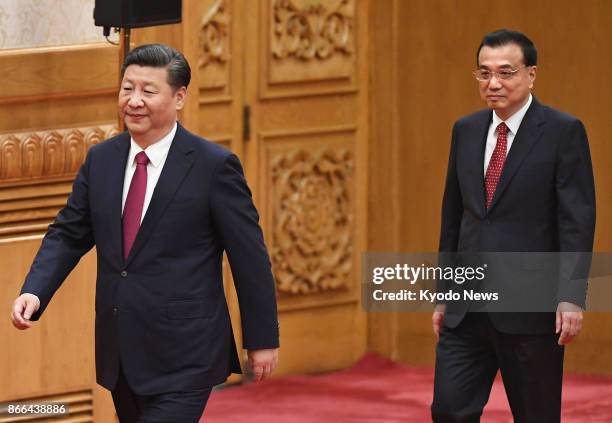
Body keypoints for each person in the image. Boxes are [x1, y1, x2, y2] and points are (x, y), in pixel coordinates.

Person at [11, 43, 279, 422]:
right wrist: (34, 290)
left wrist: (262, 338)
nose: (134, 101)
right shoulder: (101, 160)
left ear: (179, 96)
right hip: (120, 352)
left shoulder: (213, 167)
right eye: (127, 89)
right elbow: (69, 233)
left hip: (187, 354)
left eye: (148, 91)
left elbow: (249, 257)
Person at [431, 29, 595, 422]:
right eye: (484, 73)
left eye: (505, 72)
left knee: (535, 414)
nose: (493, 83)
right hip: (466, 308)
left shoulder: (562, 131)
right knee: (449, 411)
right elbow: (453, 216)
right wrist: (443, 290)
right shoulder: (466, 130)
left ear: (531, 74)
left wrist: (571, 296)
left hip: (531, 309)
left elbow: (576, 220)